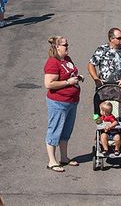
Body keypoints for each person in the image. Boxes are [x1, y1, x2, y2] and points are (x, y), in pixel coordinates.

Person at [44, 35, 82, 172]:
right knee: (54, 130)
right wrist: (68, 82)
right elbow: (49, 84)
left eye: (67, 44)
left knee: (66, 130)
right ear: (57, 47)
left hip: (71, 101)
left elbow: (70, 74)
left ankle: (64, 157)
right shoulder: (52, 62)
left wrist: (77, 78)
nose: (67, 47)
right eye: (65, 45)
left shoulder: (66, 59)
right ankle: (52, 161)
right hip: (58, 102)